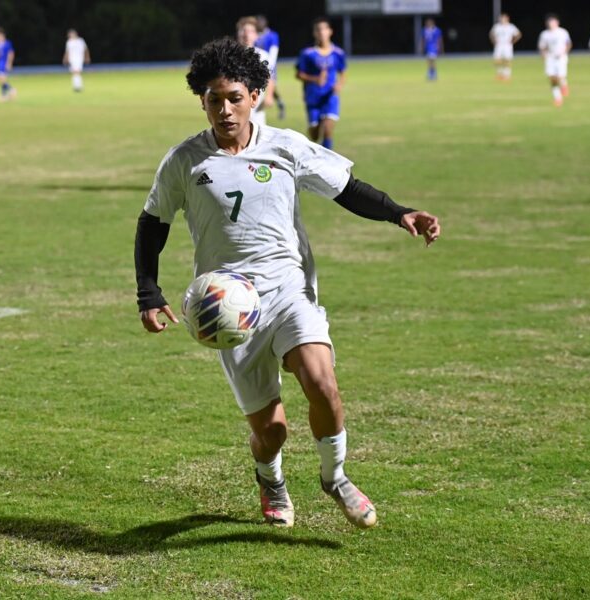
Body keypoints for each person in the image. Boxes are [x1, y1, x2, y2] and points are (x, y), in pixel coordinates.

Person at [134, 38, 440, 530]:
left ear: (255, 94)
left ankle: (335, 477)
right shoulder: (185, 161)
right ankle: (269, 476)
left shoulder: (285, 146)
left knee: (322, 382)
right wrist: (148, 292)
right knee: (271, 431)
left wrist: (398, 212)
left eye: (234, 97)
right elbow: (153, 223)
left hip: (287, 290)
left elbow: (346, 190)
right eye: (214, 99)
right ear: (202, 102)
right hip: (229, 308)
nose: (225, 109)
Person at [296, 17, 346, 150]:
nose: (321, 32)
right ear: (314, 33)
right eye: (318, 30)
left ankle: (327, 161)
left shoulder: (338, 53)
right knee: (315, 134)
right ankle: (313, 128)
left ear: (330, 31)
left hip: (330, 97)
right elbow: (299, 74)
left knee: (328, 129)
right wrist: (315, 79)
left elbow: (343, 72)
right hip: (313, 97)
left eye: (324, 29)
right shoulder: (307, 54)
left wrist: (339, 85)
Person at [237, 17, 274, 125]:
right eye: (243, 30)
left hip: (257, 106)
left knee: (257, 136)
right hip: (236, 105)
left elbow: (270, 77)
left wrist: (269, 95)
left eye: (250, 31)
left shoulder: (263, 56)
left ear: (256, 35)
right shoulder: (231, 55)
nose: (246, 34)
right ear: (238, 33)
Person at [255, 15, 286, 120]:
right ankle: (279, 102)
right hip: (255, 67)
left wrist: (269, 66)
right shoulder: (254, 36)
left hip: (268, 66)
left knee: (270, 87)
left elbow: (274, 51)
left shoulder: (272, 35)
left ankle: (274, 103)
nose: (259, 24)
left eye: (261, 22)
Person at [538, 14, 572, 106]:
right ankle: (558, 98)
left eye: (553, 22)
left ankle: (564, 85)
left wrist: (564, 52)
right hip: (550, 58)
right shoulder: (544, 34)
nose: (551, 24)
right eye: (549, 22)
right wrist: (543, 54)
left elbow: (568, 44)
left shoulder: (563, 32)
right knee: (552, 78)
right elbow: (542, 47)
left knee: (560, 77)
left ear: (557, 23)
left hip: (561, 57)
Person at [490, 13, 522, 81]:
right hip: (499, 45)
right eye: (501, 18)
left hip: (507, 46)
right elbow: (491, 34)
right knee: (497, 59)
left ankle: (507, 75)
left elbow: (519, 34)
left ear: (507, 19)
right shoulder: (497, 26)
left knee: (507, 60)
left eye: (503, 18)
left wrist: (512, 41)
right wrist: (494, 41)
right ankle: (499, 74)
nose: (502, 20)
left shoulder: (511, 26)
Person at [0, 27, 16, 101]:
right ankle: (4, 95)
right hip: (0, 63)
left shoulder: (7, 43)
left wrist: (9, 63)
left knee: (1, 79)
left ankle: (11, 90)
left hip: (4, 63)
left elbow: (11, 53)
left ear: (2, 35)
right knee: (0, 79)